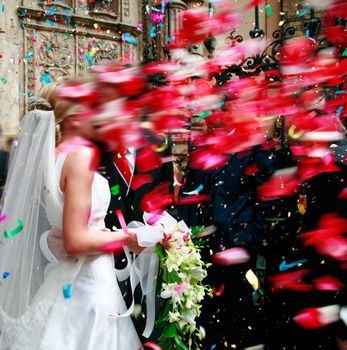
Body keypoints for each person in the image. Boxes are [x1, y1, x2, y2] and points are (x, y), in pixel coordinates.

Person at [0, 83, 142, 349]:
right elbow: (74, 242)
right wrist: (128, 237)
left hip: (63, 279)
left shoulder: (50, 159)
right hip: (89, 283)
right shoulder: (80, 156)